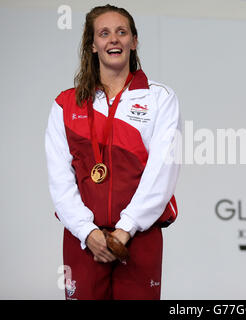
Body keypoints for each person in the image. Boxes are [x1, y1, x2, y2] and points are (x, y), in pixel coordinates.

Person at [45, 4, 180, 300]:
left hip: (139, 238)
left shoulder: (160, 98)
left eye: (122, 32)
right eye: (104, 33)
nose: (114, 40)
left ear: (134, 41)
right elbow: (60, 179)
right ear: (92, 45)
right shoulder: (65, 105)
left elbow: (162, 172)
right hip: (83, 240)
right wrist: (87, 232)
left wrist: (126, 229)